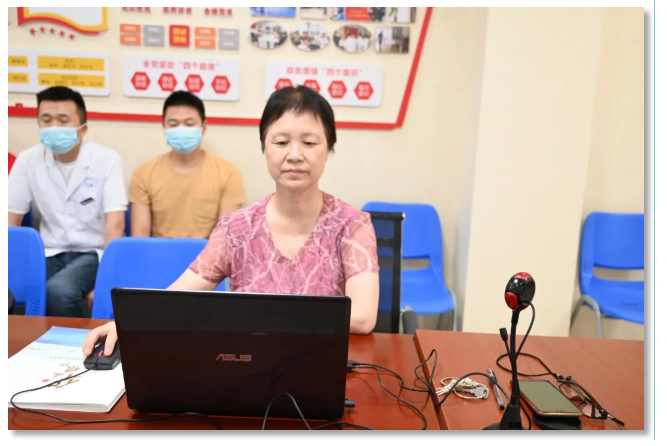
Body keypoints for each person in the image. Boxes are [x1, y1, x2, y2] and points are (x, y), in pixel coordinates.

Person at [83, 86, 380, 357]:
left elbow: (363, 317)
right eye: (281, 142)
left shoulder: (352, 225)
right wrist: (128, 321)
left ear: (328, 149)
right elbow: (178, 295)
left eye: (309, 142)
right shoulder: (237, 228)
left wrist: (256, 316)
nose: (294, 155)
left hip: (324, 362)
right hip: (249, 365)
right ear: (265, 147)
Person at [8, 86, 127, 318]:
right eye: (46, 120)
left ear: (83, 129)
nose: (54, 127)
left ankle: (86, 338)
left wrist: (104, 281)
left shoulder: (106, 159)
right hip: (47, 252)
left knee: (59, 292)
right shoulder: (27, 160)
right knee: (16, 291)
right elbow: (11, 219)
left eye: (63, 120)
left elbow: (116, 224)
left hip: (92, 253)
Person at [129, 91, 246, 239]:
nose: (181, 129)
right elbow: (140, 238)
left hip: (209, 252)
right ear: (164, 127)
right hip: (160, 252)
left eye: (189, 124)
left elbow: (226, 238)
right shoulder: (143, 174)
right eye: (173, 124)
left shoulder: (228, 173)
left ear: (204, 127)